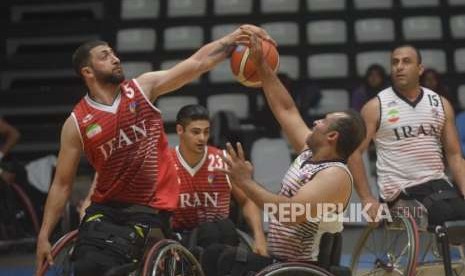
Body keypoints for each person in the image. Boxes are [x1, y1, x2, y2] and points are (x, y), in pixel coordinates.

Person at [35, 24, 273, 276]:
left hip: (149, 210)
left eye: (114, 53)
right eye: (105, 56)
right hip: (106, 210)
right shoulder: (76, 123)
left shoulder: (142, 89)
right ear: (87, 71)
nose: (115, 58)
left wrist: (234, 37)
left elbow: (198, 62)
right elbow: (61, 185)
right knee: (85, 266)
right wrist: (43, 236)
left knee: (119, 269)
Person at [201, 34, 367, 276]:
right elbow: (286, 109)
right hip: (280, 261)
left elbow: (289, 213)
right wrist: (262, 66)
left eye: (324, 121)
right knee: (215, 253)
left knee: (224, 259)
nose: (317, 121)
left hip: (304, 268)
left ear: (332, 137)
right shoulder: (312, 152)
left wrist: (245, 182)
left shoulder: (334, 174)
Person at [348, 44, 465, 227]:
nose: (399, 67)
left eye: (406, 62)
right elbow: (354, 153)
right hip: (399, 191)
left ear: (420, 69)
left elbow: (454, 155)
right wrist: (367, 198)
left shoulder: (440, 104)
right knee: (445, 217)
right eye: (395, 62)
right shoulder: (375, 107)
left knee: (459, 213)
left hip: (437, 184)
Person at [170, 104, 267, 255]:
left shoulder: (223, 160)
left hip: (223, 235)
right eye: (195, 132)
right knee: (209, 232)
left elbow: (247, 200)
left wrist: (259, 237)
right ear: (180, 130)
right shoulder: (166, 163)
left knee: (224, 227)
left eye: (206, 132)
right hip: (182, 238)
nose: (202, 138)